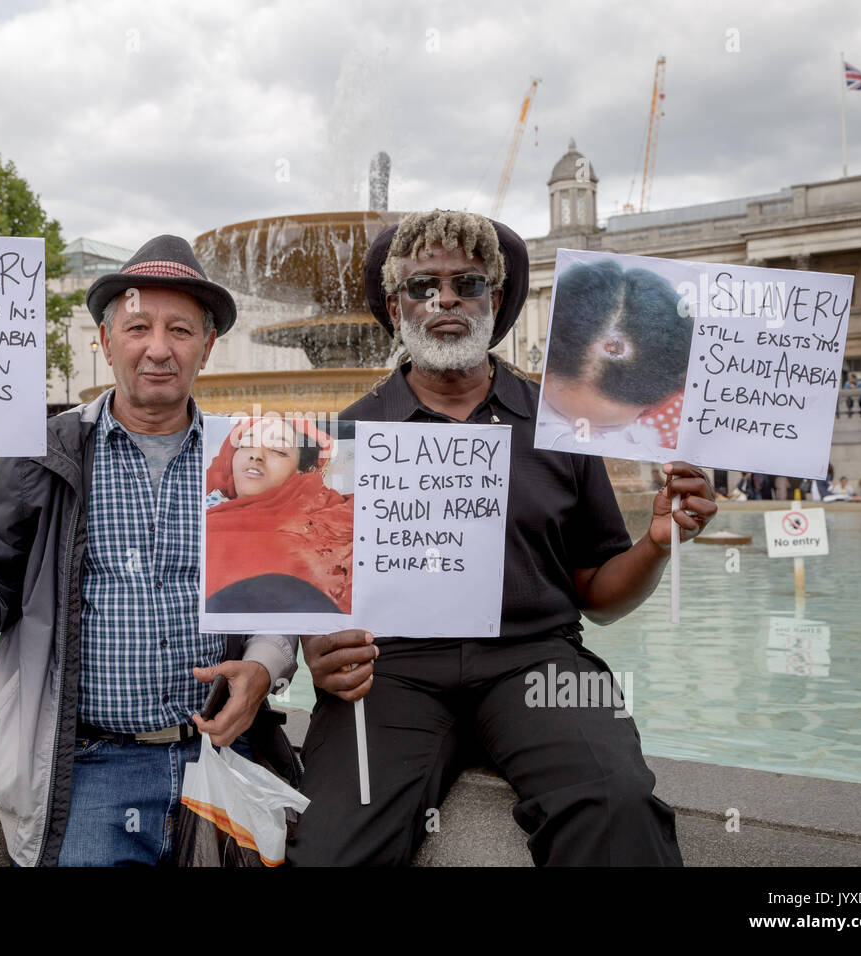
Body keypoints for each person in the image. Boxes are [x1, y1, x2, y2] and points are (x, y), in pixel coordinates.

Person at [0, 235, 298, 867]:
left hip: (221, 754)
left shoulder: (252, 457)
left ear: (209, 345)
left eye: (181, 330)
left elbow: (279, 604)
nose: (159, 348)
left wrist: (264, 668)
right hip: (89, 769)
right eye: (138, 325)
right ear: (106, 340)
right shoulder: (43, 453)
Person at [288, 210, 716, 867]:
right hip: (391, 672)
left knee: (617, 806)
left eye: (468, 282)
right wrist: (320, 646)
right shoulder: (346, 436)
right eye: (423, 286)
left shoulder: (562, 424)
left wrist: (656, 542)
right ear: (396, 307)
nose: (447, 298)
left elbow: (598, 596)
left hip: (535, 661)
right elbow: (313, 595)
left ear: (497, 298)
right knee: (330, 850)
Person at [537, 258, 693, 460]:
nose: (581, 438)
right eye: (558, 415)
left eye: (607, 429)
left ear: (650, 409)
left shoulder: (672, 428)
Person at [204, 416, 354, 614]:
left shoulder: (337, 525)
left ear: (303, 471)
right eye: (247, 444)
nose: (256, 455)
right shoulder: (198, 514)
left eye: (278, 450)